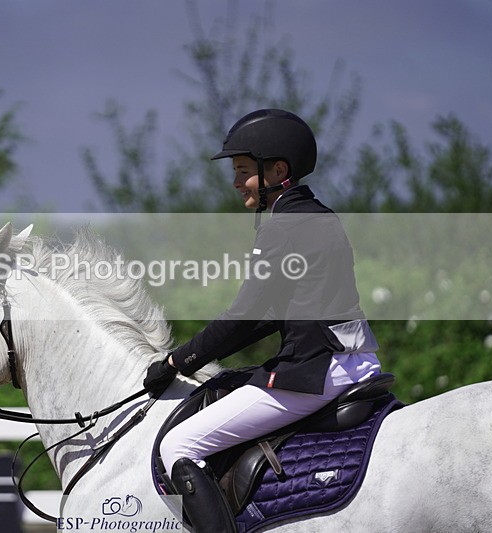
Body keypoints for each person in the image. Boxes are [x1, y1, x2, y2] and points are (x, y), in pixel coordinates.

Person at [143, 109, 381, 533]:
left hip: (317, 371)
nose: (235, 183)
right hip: (356, 360)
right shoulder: (320, 215)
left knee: (178, 444)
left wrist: (176, 363)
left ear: (278, 170)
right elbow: (270, 317)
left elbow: (243, 317)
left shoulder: (282, 227)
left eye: (243, 171)